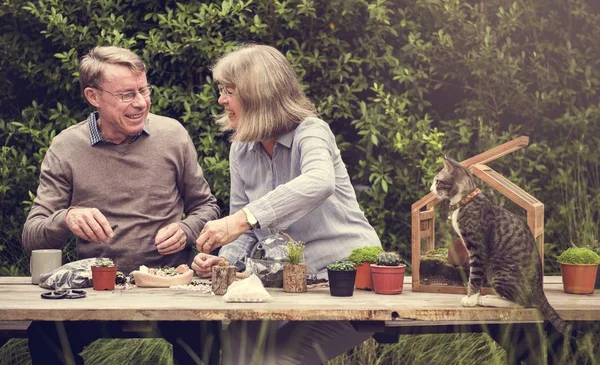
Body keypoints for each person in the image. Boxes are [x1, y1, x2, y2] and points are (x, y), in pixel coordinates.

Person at [21, 46, 221, 365]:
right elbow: (32, 235)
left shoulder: (173, 136)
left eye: (143, 90)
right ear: (93, 96)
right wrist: (67, 218)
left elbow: (207, 207)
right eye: (127, 94)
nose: (140, 102)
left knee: (205, 337)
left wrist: (186, 229)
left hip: (170, 286)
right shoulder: (66, 147)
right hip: (95, 289)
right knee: (44, 338)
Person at [191, 44, 382, 365]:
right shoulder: (241, 150)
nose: (221, 99)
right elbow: (245, 232)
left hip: (346, 286)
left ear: (257, 94)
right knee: (236, 351)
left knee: (272, 361)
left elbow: (319, 182)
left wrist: (242, 219)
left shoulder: (312, 132)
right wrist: (224, 265)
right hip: (285, 288)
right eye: (221, 90)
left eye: (228, 91)